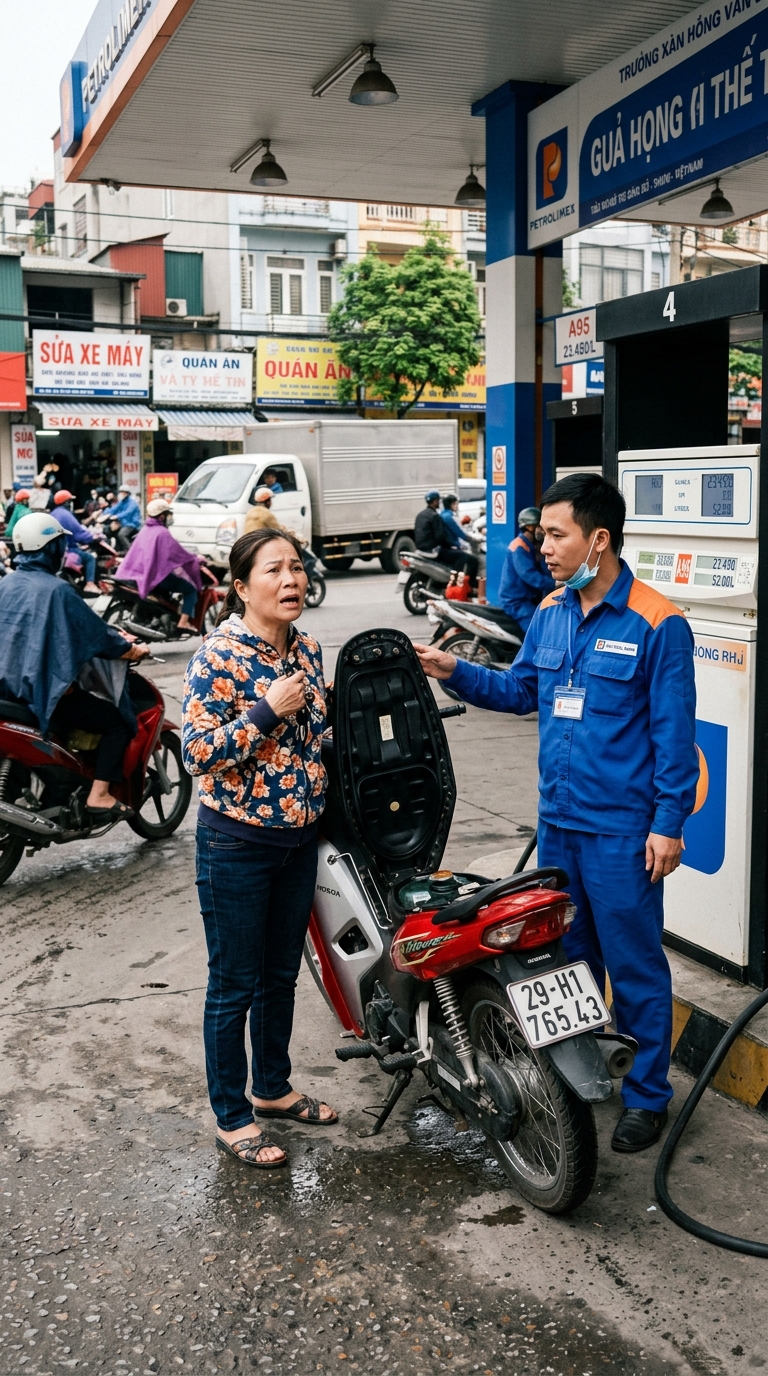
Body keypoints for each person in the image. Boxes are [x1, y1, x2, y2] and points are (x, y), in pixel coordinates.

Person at [415, 472, 699, 1154]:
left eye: (555, 534)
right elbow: (521, 692)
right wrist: (451, 671)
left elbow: (673, 736)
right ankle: (580, 1076)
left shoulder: (658, 623)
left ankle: (647, 1097)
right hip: (560, 826)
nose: (542, 546)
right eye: (542, 534)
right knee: (567, 965)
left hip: (622, 832)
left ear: (598, 540)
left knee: (634, 967)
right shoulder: (550, 611)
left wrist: (667, 825)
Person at [182, 527, 336, 1169]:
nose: (291, 580)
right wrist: (265, 712)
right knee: (234, 984)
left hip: (298, 842)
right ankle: (232, 1116)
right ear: (243, 588)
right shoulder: (217, 657)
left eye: (296, 567)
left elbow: (319, 736)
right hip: (236, 845)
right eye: (274, 570)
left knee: (279, 976)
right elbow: (197, 753)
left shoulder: (308, 649)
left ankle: (271, 1088)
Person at [0, 511, 149, 819]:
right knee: (117, 723)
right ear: (51, 548)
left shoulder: (6, 584)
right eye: (59, 545)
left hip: (6, 691)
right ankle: (99, 795)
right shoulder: (58, 591)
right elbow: (97, 635)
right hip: (38, 694)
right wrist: (132, 650)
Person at [117, 498, 203, 632]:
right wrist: (195, 558)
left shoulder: (145, 530)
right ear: (162, 516)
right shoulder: (162, 533)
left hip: (136, 574)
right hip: (154, 577)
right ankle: (183, 622)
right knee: (190, 589)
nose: (170, 518)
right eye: (168, 515)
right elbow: (178, 553)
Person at [498, 505, 556, 631]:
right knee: (538, 630)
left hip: (530, 598)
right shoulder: (519, 547)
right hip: (516, 601)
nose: (542, 531)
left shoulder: (533, 546)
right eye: (539, 527)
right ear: (530, 527)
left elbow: (545, 568)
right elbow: (530, 575)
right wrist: (554, 584)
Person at [414, 490, 478, 582]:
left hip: (420, 549)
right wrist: (451, 546)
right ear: (435, 501)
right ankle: (455, 583)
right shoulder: (436, 516)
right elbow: (440, 537)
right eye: (438, 501)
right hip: (432, 550)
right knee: (467, 558)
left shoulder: (421, 514)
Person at [52, 490, 101, 595]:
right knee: (90, 558)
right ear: (66, 502)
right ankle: (90, 584)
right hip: (68, 548)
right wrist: (92, 537)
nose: (71, 503)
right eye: (70, 501)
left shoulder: (54, 513)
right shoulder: (66, 515)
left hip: (57, 548)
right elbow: (79, 534)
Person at [440, 493, 480, 583]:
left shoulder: (443, 514)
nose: (457, 506)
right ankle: (469, 584)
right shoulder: (449, 517)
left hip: (447, 546)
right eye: (456, 503)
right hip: (452, 545)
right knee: (473, 560)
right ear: (452, 504)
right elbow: (461, 533)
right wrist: (475, 539)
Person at [107, 485, 143, 551]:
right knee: (109, 530)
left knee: (121, 534)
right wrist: (104, 513)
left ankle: (130, 551)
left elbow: (128, 512)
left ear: (128, 493)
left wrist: (117, 516)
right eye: (121, 492)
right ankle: (118, 549)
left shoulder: (132, 503)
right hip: (123, 524)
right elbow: (114, 509)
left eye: (124, 492)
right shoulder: (122, 502)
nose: (122, 494)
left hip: (132, 524)